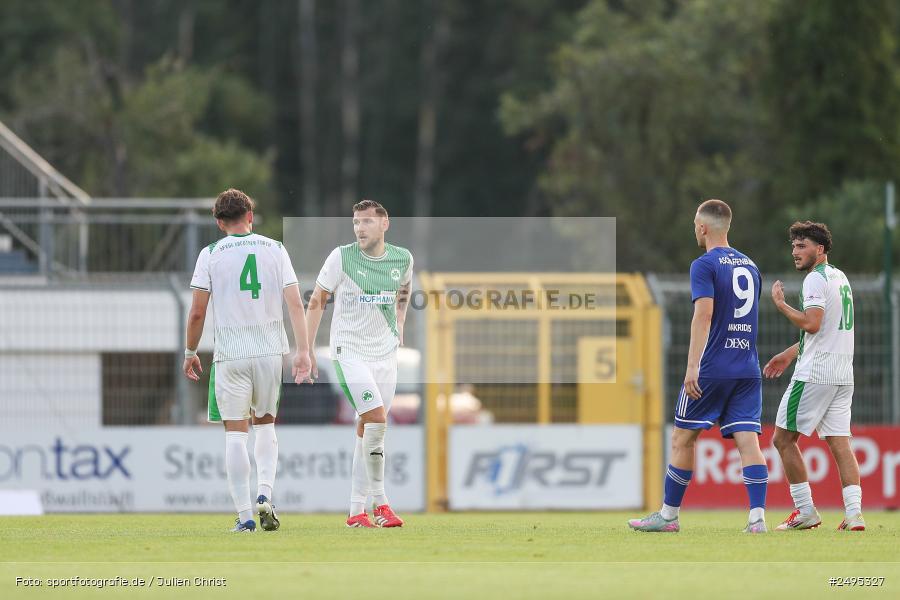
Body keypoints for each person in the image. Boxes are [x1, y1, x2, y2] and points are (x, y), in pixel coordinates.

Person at [629, 199, 768, 533]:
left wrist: (693, 366)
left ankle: (668, 516)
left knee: (682, 438)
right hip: (747, 367)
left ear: (703, 227)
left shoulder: (704, 264)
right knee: (748, 441)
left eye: (695, 224)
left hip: (713, 368)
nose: (695, 229)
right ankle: (758, 518)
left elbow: (704, 315)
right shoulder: (751, 266)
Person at [183, 188, 311, 533]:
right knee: (266, 425)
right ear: (250, 216)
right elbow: (296, 304)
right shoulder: (275, 249)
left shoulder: (210, 254)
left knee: (235, 434)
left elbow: (197, 312)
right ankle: (265, 495)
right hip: (271, 351)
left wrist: (190, 352)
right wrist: (304, 351)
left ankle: (245, 517)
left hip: (232, 355)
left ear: (218, 222)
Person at [305, 199, 412, 528]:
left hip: (385, 354)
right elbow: (316, 300)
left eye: (366, 221)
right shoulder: (342, 257)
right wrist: (306, 351)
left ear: (384, 224)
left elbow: (405, 290)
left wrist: (400, 325)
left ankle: (355, 511)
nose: (360, 228)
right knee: (377, 420)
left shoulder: (402, 258)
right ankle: (381, 503)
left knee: (368, 429)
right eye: (355, 222)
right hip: (349, 351)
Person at [764, 221, 863, 531]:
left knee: (782, 439)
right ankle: (855, 514)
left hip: (815, 374)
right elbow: (825, 331)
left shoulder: (814, 280)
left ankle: (806, 510)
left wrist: (781, 305)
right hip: (842, 373)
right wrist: (789, 353)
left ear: (819, 250)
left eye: (802, 246)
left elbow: (812, 324)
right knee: (840, 443)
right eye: (794, 246)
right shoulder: (840, 277)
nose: (795, 252)